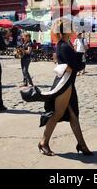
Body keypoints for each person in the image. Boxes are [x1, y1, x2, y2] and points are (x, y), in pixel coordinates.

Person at [38, 19, 92, 156]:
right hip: (64, 85)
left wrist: (76, 61)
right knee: (56, 115)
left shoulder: (67, 44)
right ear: (65, 31)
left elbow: (72, 65)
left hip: (69, 84)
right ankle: (44, 142)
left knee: (74, 116)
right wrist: (80, 58)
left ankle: (82, 145)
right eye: (70, 27)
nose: (73, 29)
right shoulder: (64, 46)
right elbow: (75, 66)